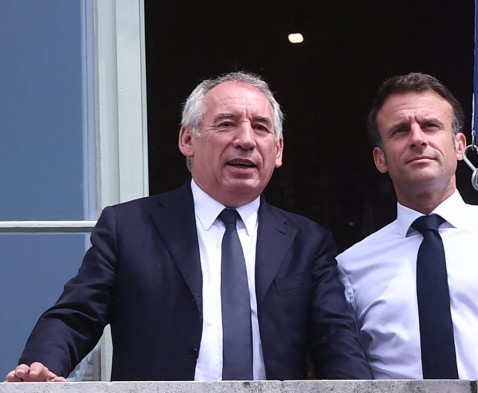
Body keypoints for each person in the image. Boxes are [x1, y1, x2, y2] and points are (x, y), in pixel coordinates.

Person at [6, 71, 372, 382]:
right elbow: (75, 316)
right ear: (187, 140)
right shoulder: (130, 228)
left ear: (277, 151)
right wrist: (41, 368)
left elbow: (336, 340)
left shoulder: (308, 242)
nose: (245, 140)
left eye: (260, 128)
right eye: (227, 124)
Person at [337, 72, 478, 380]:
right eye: (399, 131)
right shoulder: (350, 267)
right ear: (380, 158)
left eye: (431, 126)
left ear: (459, 145)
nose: (417, 138)